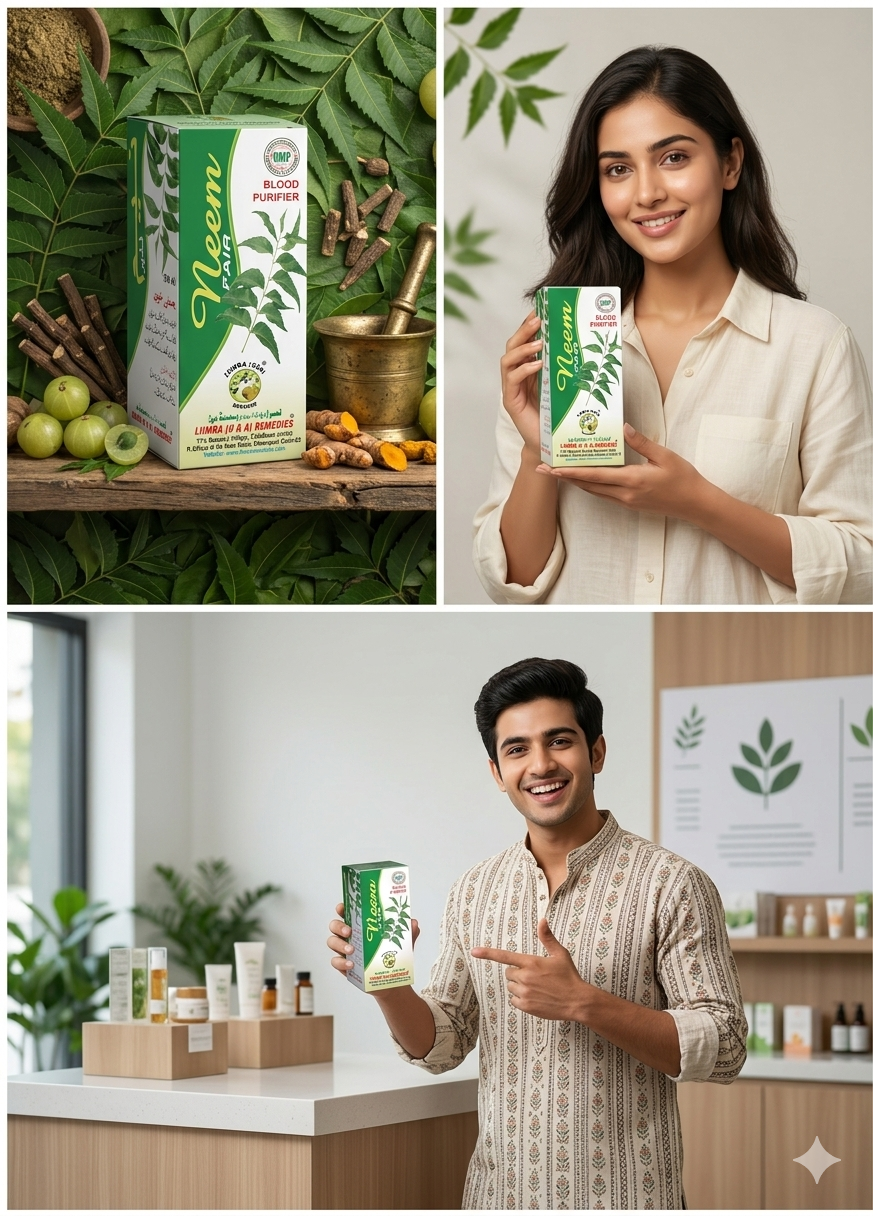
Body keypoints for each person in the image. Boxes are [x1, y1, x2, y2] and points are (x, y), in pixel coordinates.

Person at [327, 658, 746, 1210]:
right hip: (499, 1196)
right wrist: (387, 985)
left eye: (559, 741)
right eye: (517, 749)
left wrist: (585, 1003)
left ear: (595, 752)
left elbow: (726, 1048)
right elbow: (443, 1045)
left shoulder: (673, 884)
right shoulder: (473, 889)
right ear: (497, 772)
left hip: (629, 1197)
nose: (540, 764)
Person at [472, 46, 872, 605]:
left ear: (730, 163)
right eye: (617, 169)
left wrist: (698, 501)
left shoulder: (813, 346)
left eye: (674, 157)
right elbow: (513, 582)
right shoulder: (565, 341)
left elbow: (860, 565)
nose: (646, 193)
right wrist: (541, 449)